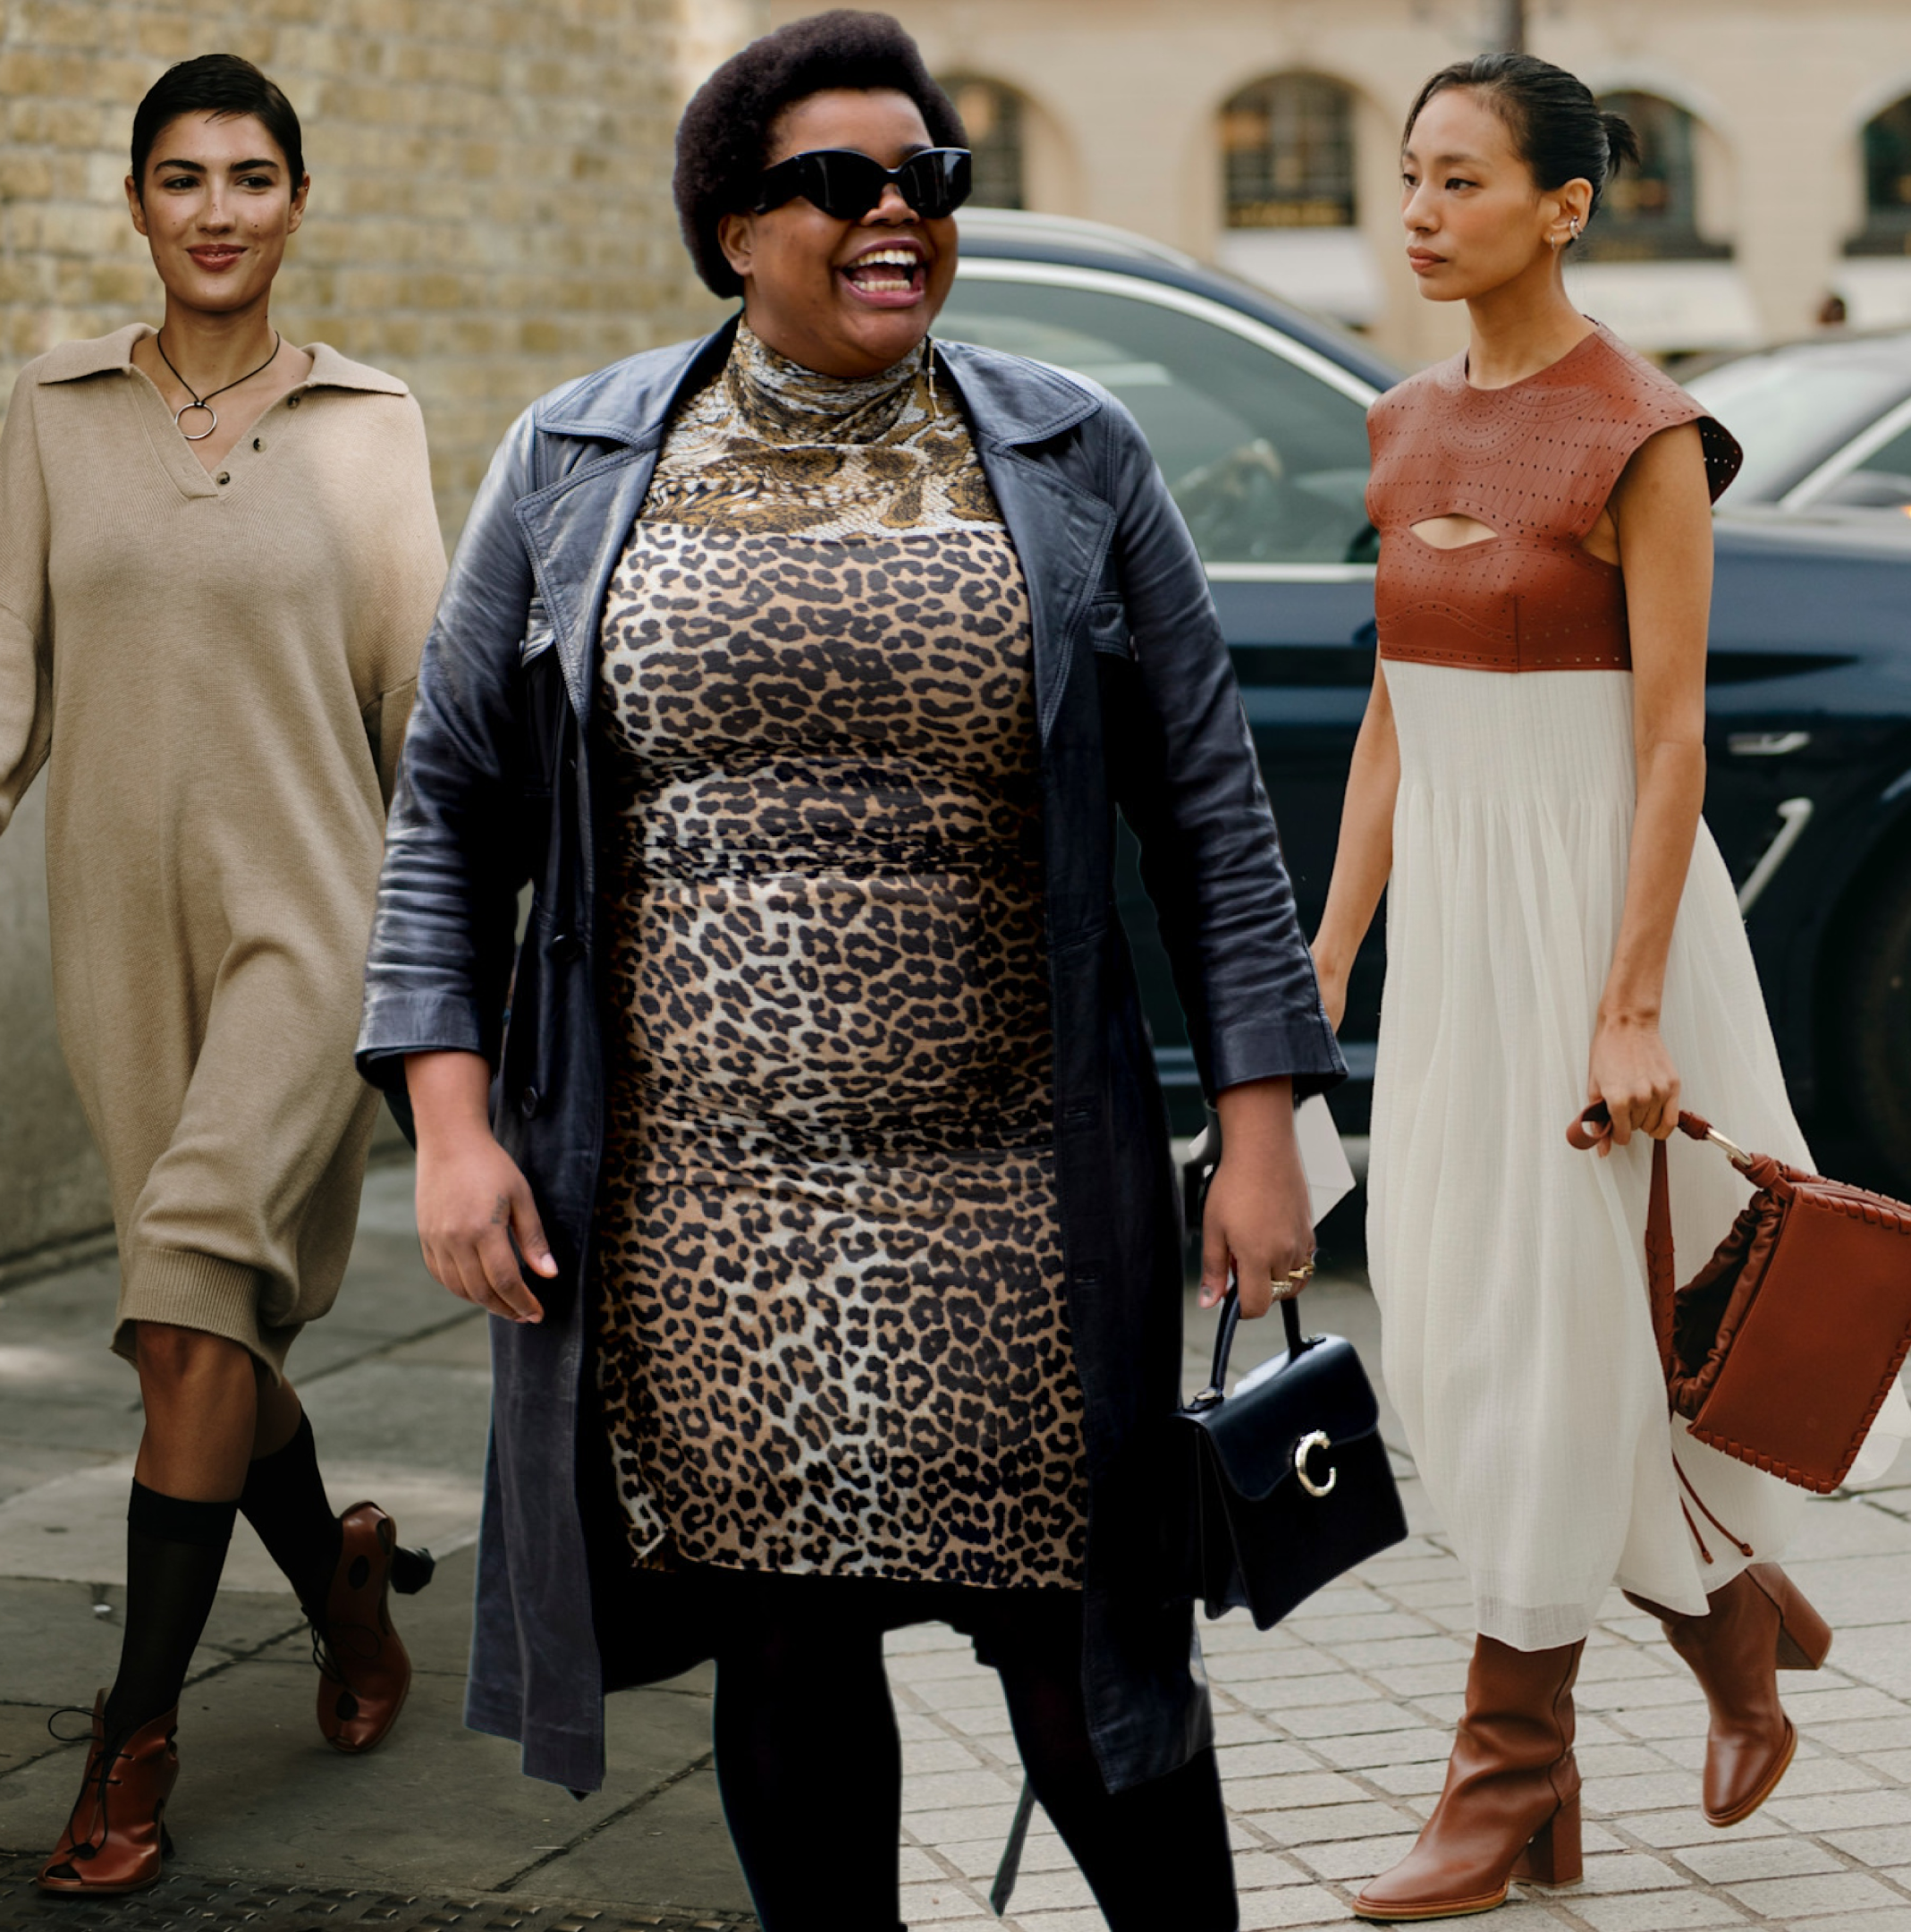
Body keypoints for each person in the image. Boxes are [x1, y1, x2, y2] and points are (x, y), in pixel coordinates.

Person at [356, 14, 1343, 1930]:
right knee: (790, 1659)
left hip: (1015, 1194)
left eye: (932, 181)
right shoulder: (573, 457)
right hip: (702, 1204)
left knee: (1087, 1667)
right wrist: (455, 1131)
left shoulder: (1070, 451)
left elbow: (1212, 819)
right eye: (843, 182)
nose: (900, 211)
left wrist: (1258, 1134)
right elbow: (449, 810)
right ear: (733, 225)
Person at [1321, 54, 1911, 1921]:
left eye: (1465, 181)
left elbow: (1672, 747)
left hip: (1598, 932)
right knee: (1461, 1322)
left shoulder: (1648, 432)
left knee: (1569, 1339)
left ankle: (1508, 1780)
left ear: (1567, 206)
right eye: (1410, 177)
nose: (1422, 211)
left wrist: (1633, 996)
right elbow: (1392, 722)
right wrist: (1322, 952)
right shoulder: (1400, 420)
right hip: (1458, 953)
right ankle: (1733, 1627)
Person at [0, 51, 448, 1898]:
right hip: (118, 935)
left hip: (315, 926)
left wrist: (458, 970)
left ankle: (131, 1741)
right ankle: (342, 1592)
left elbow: (424, 705)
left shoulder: (372, 425)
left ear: (297, 205)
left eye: (253, 177)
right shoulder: (55, 415)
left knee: (195, 1295)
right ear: (137, 205)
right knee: (198, 1333)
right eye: (183, 178)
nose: (218, 209)